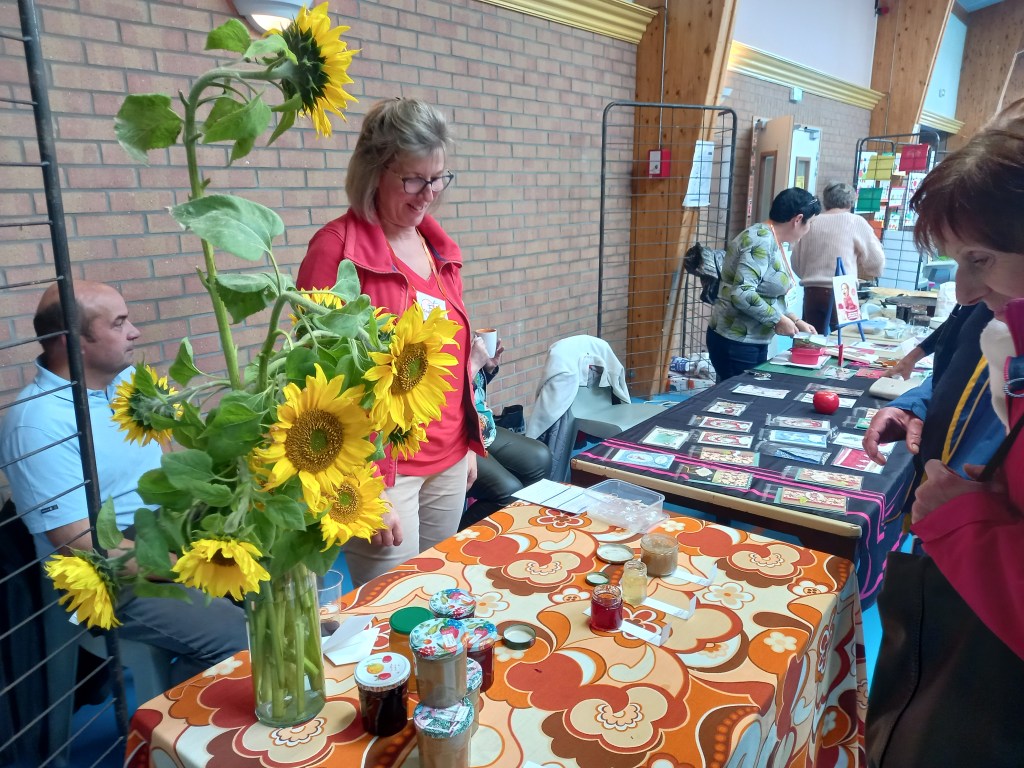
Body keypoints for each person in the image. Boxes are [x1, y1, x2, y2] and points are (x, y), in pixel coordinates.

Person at [865, 103, 1024, 766]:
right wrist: (912, 407)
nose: (962, 289)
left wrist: (964, 516)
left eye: (980, 258)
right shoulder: (997, 313)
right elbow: (952, 373)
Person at [0, 281, 247, 680]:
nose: (135, 332)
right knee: (235, 634)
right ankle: (176, 715)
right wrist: (189, 567)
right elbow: (80, 544)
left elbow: (164, 456)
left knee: (275, 569)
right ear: (72, 341)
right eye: (118, 323)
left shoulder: (128, 381)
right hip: (106, 570)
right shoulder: (37, 423)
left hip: (163, 528)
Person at [297, 98, 486, 586]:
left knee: (438, 589)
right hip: (383, 472)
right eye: (413, 180)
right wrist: (358, 487)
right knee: (391, 608)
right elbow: (314, 378)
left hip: (448, 454)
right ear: (373, 172)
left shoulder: (438, 248)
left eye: (438, 178)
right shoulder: (336, 249)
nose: (428, 195)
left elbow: (452, 357)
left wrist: (469, 442)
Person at [705, 187, 820, 382]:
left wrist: (794, 320)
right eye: (810, 223)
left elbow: (768, 294)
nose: (809, 230)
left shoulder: (771, 239)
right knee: (739, 396)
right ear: (798, 219)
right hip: (736, 340)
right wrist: (778, 320)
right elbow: (742, 293)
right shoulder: (761, 240)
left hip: (750, 339)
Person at [460, 338, 552, 529]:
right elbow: (445, 397)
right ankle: (457, 537)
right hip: (458, 437)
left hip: (484, 428)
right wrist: (473, 365)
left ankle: (519, 527)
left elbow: (472, 391)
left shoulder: (457, 331)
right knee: (509, 492)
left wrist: (486, 369)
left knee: (540, 457)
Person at [791, 181, 885, 334]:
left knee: (811, 340)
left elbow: (795, 262)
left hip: (812, 291)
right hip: (845, 290)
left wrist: (811, 274)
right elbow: (876, 263)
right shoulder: (855, 222)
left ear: (825, 200)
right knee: (846, 339)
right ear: (850, 202)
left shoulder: (811, 221)